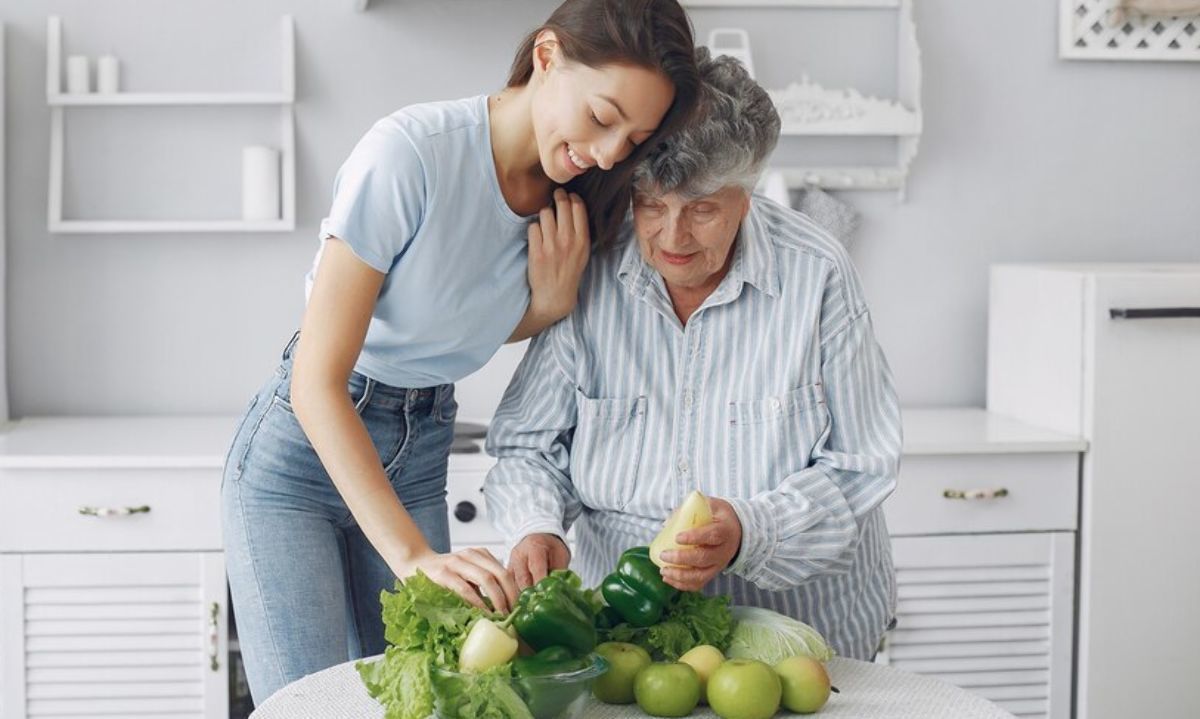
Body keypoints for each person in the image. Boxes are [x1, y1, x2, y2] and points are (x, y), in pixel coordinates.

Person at [221, 0, 699, 703]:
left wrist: (546, 308)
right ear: (546, 56)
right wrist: (414, 555)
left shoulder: (571, 199)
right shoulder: (410, 153)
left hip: (420, 450)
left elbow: (445, 321)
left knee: (421, 697)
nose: (606, 154)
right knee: (312, 706)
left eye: (632, 140)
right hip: (302, 457)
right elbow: (315, 381)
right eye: (601, 118)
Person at [484, 49, 901, 661]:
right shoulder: (595, 269)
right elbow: (527, 447)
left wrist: (748, 532)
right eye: (651, 204)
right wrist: (535, 526)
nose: (672, 237)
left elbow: (861, 466)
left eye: (702, 209)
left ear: (746, 194)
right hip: (630, 637)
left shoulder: (816, 275)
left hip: (806, 639)